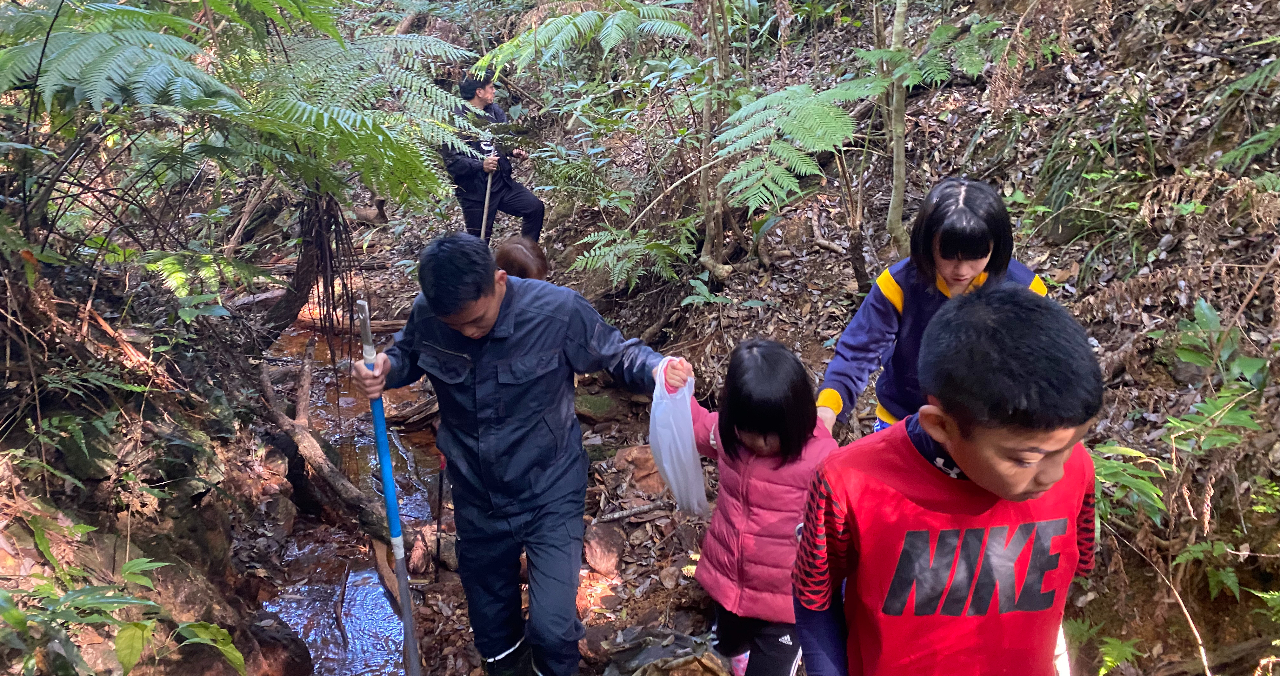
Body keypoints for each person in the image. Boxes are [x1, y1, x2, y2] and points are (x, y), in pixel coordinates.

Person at [354, 233, 690, 676]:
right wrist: (386, 369)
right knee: (493, 634)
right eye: (457, 328)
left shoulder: (557, 311)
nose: (469, 333)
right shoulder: (429, 315)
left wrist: (658, 369)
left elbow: (617, 353)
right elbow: (408, 352)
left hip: (549, 489)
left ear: (499, 280)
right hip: (476, 495)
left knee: (552, 629)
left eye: (476, 321)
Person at [792, 285, 1101, 676]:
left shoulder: (1078, 472)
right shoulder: (847, 483)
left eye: (1073, 444)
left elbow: (1071, 579)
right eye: (1026, 458)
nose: (1055, 474)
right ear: (941, 425)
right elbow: (813, 595)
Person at [817, 177, 1047, 434]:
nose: (961, 270)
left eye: (975, 257)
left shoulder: (1024, 291)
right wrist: (829, 405)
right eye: (948, 256)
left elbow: (1040, 365)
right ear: (927, 243)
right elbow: (859, 351)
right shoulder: (900, 285)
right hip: (903, 421)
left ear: (996, 246)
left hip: (983, 433)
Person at [673, 339, 837, 676]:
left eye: (772, 435)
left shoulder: (821, 458)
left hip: (787, 602)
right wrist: (677, 390)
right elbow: (693, 426)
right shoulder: (727, 435)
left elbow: (847, 514)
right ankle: (739, 657)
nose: (761, 444)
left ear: (797, 418)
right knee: (729, 645)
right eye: (752, 433)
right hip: (729, 582)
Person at [443, 71, 545, 242]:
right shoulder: (456, 121)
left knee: (534, 208)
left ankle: (525, 259)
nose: (494, 91)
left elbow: (504, 138)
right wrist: (481, 165)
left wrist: (513, 150)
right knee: (479, 242)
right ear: (479, 92)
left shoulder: (494, 111)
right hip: (475, 194)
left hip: (501, 184)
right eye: (491, 87)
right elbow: (452, 161)